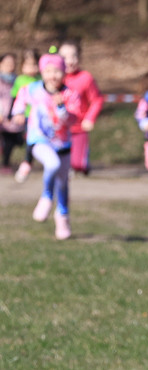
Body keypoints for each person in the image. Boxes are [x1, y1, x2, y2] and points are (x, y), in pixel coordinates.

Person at [10, 52, 82, 240]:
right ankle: (46, 197)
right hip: (39, 140)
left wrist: (62, 109)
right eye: (48, 70)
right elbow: (19, 100)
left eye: (57, 71)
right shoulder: (32, 89)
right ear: (42, 72)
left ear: (64, 72)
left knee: (63, 184)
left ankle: (63, 219)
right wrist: (18, 113)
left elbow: (73, 119)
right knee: (52, 165)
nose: (53, 75)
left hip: (63, 144)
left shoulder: (70, 94)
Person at [57, 39, 102, 175]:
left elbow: (97, 100)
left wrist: (89, 118)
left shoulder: (85, 78)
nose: (70, 61)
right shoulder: (54, 77)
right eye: (65, 57)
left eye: (74, 56)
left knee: (77, 164)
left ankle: (83, 163)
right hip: (59, 129)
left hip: (78, 127)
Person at [12, 48, 40, 183]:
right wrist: (18, 113)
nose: (31, 68)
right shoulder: (20, 80)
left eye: (34, 64)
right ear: (22, 66)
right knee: (30, 141)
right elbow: (15, 98)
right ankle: (27, 163)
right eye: (28, 64)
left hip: (43, 118)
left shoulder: (42, 80)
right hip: (28, 118)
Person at [0, 52, 22, 174]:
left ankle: (6, 162)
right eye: (7, 63)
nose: (10, 65)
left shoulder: (17, 80)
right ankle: (5, 163)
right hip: (1, 114)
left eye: (12, 63)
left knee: (13, 140)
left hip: (13, 115)